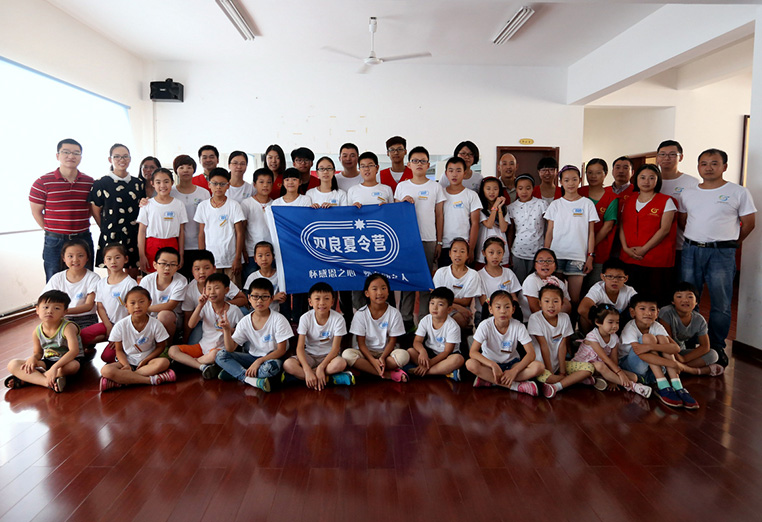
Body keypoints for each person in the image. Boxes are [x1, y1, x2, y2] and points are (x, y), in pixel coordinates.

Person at [679, 148, 756, 367]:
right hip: (691, 250)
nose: (708, 167)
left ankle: (716, 346)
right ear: (698, 167)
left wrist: (731, 244)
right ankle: (690, 342)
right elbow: (683, 221)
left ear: (724, 166)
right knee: (687, 299)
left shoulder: (738, 192)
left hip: (721, 253)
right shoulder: (688, 192)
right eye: (704, 163)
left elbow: (749, 223)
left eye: (714, 163)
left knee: (720, 303)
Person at [394, 146, 445, 330]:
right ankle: (405, 320)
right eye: (415, 161)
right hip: (407, 241)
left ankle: (424, 319)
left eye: (423, 161)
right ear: (409, 164)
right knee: (407, 280)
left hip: (428, 239)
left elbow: (439, 215)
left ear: (428, 165)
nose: (419, 164)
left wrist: (439, 241)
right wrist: (402, 203)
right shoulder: (402, 186)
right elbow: (396, 213)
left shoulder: (435, 187)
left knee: (425, 281)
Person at [30, 138, 95, 281]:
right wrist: (52, 230)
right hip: (55, 241)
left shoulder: (90, 182)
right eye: (66, 152)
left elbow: (92, 209)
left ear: (81, 157)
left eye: (76, 153)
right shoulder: (42, 182)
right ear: (57, 155)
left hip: (83, 238)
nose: (71, 156)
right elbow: (36, 212)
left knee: (86, 280)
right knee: (54, 280)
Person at [620, 294, 698, 409]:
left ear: (657, 313)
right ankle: (663, 385)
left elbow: (676, 348)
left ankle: (677, 385)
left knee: (662, 339)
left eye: (652, 309)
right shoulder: (630, 328)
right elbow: (640, 353)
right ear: (632, 312)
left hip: (652, 373)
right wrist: (673, 364)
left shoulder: (657, 326)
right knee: (648, 338)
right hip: (634, 369)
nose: (648, 313)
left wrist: (650, 347)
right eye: (642, 309)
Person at [217, 278, 292, 391]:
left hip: (271, 358)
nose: (259, 301)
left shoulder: (279, 319)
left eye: (264, 297)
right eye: (255, 296)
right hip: (252, 358)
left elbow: (281, 351)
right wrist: (227, 330)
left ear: (271, 299)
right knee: (220, 355)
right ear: (249, 298)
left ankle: (235, 372)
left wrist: (259, 361)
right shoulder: (245, 321)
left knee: (270, 368)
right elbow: (230, 349)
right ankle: (249, 379)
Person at [619, 164, 677, 305]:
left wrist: (644, 249)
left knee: (656, 300)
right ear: (636, 179)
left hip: (656, 260)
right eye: (643, 177)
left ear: (658, 180)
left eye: (651, 178)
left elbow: (665, 229)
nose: (646, 181)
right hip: (629, 257)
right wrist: (625, 248)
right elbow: (621, 225)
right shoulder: (628, 200)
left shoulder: (666, 201)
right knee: (631, 299)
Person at [465, 290, 543, 394]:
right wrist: (493, 365)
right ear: (491, 309)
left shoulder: (518, 326)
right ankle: (515, 386)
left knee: (538, 367)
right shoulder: (485, 325)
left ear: (513, 309)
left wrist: (514, 371)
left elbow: (531, 353)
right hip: (489, 365)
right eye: (498, 307)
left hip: (511, 364)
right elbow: (473, 352)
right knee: (470, 364)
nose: (503, 311)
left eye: (507, 307)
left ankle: (490, 380)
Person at [100, 286, 176, 391]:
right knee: (106, 370)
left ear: (149, 303)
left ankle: (122, 381)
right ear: (126, 306)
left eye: (141, 302)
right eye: (132, 303)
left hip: (148, 362)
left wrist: (146, 360)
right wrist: (126, 365)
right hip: (127, 361)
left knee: (164, 362)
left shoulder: (156, 324)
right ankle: (150, 380)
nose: (137, 306)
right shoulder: (120, 325)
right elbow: (119, 350)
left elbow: (161, 347)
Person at [544, 165, 599, 311]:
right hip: (556, 255)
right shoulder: (555, 205)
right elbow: (549, 232)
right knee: (556, 297)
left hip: (577, 256)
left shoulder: (587, 204)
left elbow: (591, 233)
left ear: (580, 180)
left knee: (574, 299)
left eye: (574, 179)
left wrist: (590, 256)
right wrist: (546, 256)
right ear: (561, 182)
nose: (571, 183)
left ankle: (573, 324)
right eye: (566, 180)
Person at [169, 273, 244, 379]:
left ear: (226, 290)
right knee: (172, 350)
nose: (212, 292)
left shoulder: (234, 310)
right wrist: (200, 305)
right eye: (209, 288)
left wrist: (230, 330)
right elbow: (191, 324)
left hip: (220, 350)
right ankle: (201, 366)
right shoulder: (205, 307)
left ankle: (188, 363)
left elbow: (243, 332)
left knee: (214, 355)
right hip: (202, 347)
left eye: (216, 288)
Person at [4, 290, 82, 392]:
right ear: (37, 310)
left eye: (57, 308)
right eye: (45, 307)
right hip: (48, 361)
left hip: (67, 362)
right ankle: (47, 382)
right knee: (13, 364)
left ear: (64, 312)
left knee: (74, 366)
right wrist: (33, 358)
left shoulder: (68, 327)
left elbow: (74, 351)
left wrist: (54, 368)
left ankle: (30, 379)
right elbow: (38, 353)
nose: (50, 311)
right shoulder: (37, 331)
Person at [283, 282, 353, 389]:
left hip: (329, 357)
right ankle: (327, 379)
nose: (322, 303)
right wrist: (306, 369)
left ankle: (305, 378)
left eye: (326, 299)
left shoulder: (338, 319)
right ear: (310, 302)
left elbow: (335, 349)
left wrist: (321, 367)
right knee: (288, 364)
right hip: (309, 355)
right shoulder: (305, 318)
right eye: (317, 299)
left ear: (332, 302)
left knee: (341, 363)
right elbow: (300, 347)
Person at [528, 285, 595, 399]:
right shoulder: (535, 318)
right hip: (542, 366)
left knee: (589, 368)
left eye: (555, 301)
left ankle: (559, 384)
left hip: (559, 364)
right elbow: (543, 346)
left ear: (562, 303)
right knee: (547, 377)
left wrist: (562, 371)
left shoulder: (564, 318)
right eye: (546, 301)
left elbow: (562, 346)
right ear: (540, 303)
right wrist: (550, 371)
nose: (551, 305)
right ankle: (575, 380)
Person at [89, 143, 145, 277]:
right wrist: (105, 228)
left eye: (125, 156)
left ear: (130, 159)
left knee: (132, 272)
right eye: (117, 156)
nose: (122, 160)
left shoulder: (137, 183)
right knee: (114, 272)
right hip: (111, 234)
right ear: (110, 159)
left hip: (133, 233)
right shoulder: (101, 183)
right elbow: (95, 210)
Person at [342, 274, 410, 382]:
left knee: (404, 356)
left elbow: (392, 341)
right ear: (367, 293)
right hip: (366, 354)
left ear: (388, 292)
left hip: (386, 354)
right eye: (374, 289)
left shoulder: (394, 313)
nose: (380, 292)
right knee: (347, 355)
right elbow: (361, 344)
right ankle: (387, 374)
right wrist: (372, 360)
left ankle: (367, 369)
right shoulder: (361, 314)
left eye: (383, 288)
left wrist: (382, 357)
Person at [572, 305, 651, 397]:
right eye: (610, 322)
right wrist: (619, 373)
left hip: (604, 367)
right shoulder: (592, 336)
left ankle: (598, 379)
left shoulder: (614, 337)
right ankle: (634, 387)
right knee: (601, 366)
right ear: (598, 322)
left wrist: (614, 377)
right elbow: (604, 358)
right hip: (585, 365)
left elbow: (614, 359)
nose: (615, 326)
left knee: (634, 377)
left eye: (617, 322)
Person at [80, 244, 137, 363]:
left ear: (126, 259)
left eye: (117, 257)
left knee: (107, 357)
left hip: (125, 326)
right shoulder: (101, 283)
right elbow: (100, 306)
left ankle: (125, 346)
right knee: (81, 335)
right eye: (109, 258)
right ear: (104, 261)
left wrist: (118, 332)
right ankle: (106, 339)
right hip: (109, 323)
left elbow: (133, 312)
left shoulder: (130, 283)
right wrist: (108, 326)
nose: (113, 262)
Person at [658, 282, 724, 377]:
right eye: (679, 297)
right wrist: (679, 358)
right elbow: (667, 342)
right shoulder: (666, 312)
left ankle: (677, 369)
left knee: (713, 354)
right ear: (672, 301)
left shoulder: (699, 320)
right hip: (664, 351)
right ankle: (694, 370)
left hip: (680, 353)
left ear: (696, 301)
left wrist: (684, 359)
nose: (685, 300)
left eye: (690, 297)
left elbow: (705, 346)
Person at [182, 250, 247, 344]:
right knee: (193, 343)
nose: (202, 272)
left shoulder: (222, 281)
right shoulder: (190, 290)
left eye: (206, 268)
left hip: (226, 318)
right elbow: (188, 318)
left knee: (243, 311)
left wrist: (221, 305)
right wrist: (185, 340)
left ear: (214, 269)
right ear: (192, 271)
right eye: (197, 269)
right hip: (204, 322)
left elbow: (243, 299)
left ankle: (244, 344)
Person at [195, 168, 246, 287]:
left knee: (233, 290)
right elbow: (201, 234)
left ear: (228, 185)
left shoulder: (234, 205)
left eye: (222, 184)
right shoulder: (203, 206)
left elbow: (240, 233)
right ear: (209, 185)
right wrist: (202, 259)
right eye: (215, 183)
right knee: (213, 290)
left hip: (231, 258)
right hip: (211, 260)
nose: (218, 187)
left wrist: (238, 258)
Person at [655, 140, 697, 274]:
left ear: (681, 157)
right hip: (653, 245)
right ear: (657, 157)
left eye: (672, 154)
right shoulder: (649, 181)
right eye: (662, 154)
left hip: (681, 246)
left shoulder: (691, 182)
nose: (666, 158)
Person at [406, 287, 465, 380]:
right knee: (410, 351)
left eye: (440, 304)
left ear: (449, 309)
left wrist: (429, 364)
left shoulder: (453, 326)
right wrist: (422, 351)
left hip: (446, 356)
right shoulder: (425, 320)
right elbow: (417, 341)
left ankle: (422, 371)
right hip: (430, 353)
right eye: (432, 303)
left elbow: (447, 351)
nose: (434, 307)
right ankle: (445, 372)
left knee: (458, 359)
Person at [42, 239, 100, 332]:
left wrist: (62, 311)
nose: (75, 260)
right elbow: (45, 300)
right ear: (64, 258)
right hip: (62, 318)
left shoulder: (93, 278)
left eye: (80, 256)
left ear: (87, 257)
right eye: (70, 256)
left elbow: (89, 306)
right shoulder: (57, 278)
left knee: (83, 335)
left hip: (86, 318)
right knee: (45, 333)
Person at [136, 168, 187, 273]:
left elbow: (181, 231)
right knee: (152, 277)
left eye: (166, 181)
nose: (162, 185)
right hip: (151, 246)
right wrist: (142, 255)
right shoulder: (147, 204)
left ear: (172, 183)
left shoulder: (179, 204)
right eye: (158, 182)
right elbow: (141, 231)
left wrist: (181, 254)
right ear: (152, 184)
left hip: (172, 245)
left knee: (170, 276)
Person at [579, 158, 618, 293]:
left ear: (605, 174)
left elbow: (607, 227)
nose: (593, 176)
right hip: (576, 249)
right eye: (589, 172)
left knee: (593, 289)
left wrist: (590, 247)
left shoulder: (611, 198)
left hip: (599, 250)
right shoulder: (579, 192)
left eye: (598, 173)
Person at [170, 154, 210, 279]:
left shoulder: (203, 193)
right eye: (181, 167)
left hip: (199, 244)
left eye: (189, 167)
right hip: (177, 245)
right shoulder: (170, 192)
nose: (185, 170)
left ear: (194, 169)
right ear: (176, 170)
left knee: (199, 280)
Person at [432, 238, 484, 329]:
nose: (458, 255)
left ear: (467, 255)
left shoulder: (473, 275)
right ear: (450, 253)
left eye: (462, 251)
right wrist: (457, 306)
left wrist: (446, 300)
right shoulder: (441, 272)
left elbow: (466, 301)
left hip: (462, 310)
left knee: (459, 319)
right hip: (441, 308)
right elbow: (437, 298)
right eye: (455, 251)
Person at [139, 247, 187, 341]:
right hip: (150, 316)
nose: (167, 268)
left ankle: (167, 345)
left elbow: (170, 305)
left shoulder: (181, 281)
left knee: (164, 315)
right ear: (155, 265)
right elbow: (139, 301)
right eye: (163, 263)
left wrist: (146, 309)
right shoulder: (146, 280)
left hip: (172, 319)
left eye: (172, 264)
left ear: (178, 267)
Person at [507, 174, 548, 283]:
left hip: (538, 252)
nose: (524, 192)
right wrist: (509, 251)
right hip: (518, 251)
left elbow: (549, 228)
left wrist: (547, 249)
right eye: (520, 188)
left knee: (537, 283)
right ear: (516, 189)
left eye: (528, 188)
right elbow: (511, 231)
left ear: (533, 188)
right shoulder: (511, 207)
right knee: (519, 283)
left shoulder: (541, 204)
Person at [439, 157, 481, 265]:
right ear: (446, 173)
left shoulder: (471, 195)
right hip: (444, 246)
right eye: (451, 171)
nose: (454, 174)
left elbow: (475, 224)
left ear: (464, 173)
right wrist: (438, 243)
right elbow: (437, 219)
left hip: (464, 246)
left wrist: (471, 249)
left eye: (458, 171)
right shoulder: (440, 194)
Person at [577, 258, 637, 333]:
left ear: (626, 278)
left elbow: (640, 305)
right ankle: (588, 337)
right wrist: (601, 327)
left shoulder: (629, 291)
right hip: (600, 324)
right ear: (602, 277)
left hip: (618, 323)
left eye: (619, 277)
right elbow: (582, 309)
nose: (615, 280)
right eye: (610, 276)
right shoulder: (598, 289)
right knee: (584, 316)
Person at [240, 168, 274, 284]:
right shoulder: (246, 203)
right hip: (251, 252)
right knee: (251, 285)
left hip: (271, 253)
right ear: (254, 184)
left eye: (269, 182)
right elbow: (242, 230)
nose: (265, 185)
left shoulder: (275, 204)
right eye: (261, 182)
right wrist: (243, 251)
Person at [477, 238, 522, 322]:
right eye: (491, 252)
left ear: (503, 253)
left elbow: (513, 297)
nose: (495, 256)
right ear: (484, 253)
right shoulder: (479, 276)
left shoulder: (508, 273)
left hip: (507, 314)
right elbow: (484, 302)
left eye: (499, 252)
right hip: (486, 315)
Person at [521, 248, 571, 319]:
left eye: (549, 261)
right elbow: (534, 309)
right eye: (540, 261)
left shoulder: (559, 282)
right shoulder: (531, 280)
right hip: (533, 319)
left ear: (555, 265)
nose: (545, 264)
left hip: (555, 319)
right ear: (535, 265)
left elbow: (567, 306)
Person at [474, 177, 509, 269]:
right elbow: (489, 224)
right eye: (488, 189)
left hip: (500, 245)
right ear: (483, 190)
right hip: (483, 243)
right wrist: (495, 205)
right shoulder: (480, 208)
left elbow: (503, 228)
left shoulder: (504, 208)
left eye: (495, 189)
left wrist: (500, 208)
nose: (492, 192)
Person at [242, 241, 287, 313]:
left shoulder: (280, 275)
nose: (264, 259)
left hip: (277, 312)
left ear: (273, 257)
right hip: (257, 313)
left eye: (267, 255)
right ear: (255, 259)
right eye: (260, 256)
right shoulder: (252, 277)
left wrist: (283, 298)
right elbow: (248, 299)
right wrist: (273, 298)